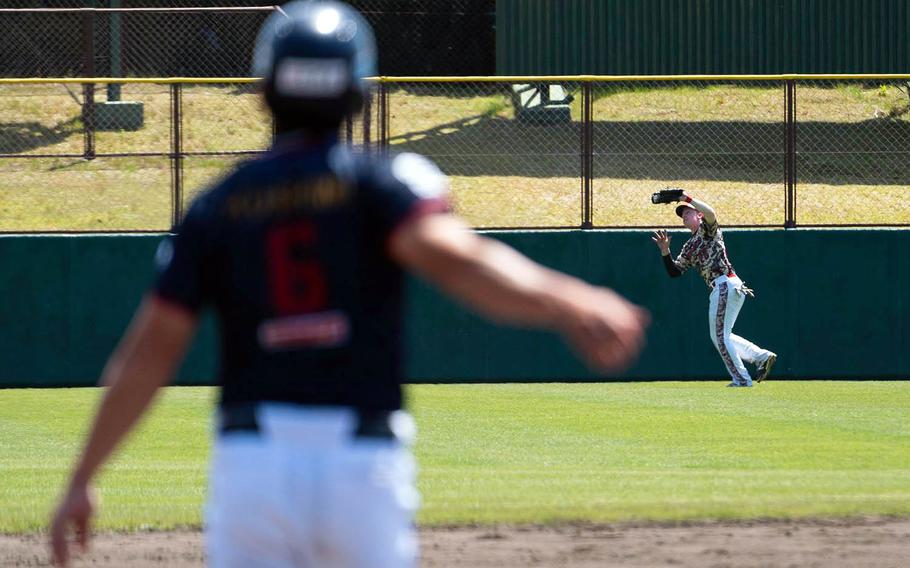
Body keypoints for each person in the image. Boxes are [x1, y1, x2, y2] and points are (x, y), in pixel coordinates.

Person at [49, 2, 650, 567]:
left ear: (265, 93)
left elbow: (151, 349)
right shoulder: (385, 182)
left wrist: (82, 477)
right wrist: (573, 300)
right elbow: (459, 260)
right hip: (361, 465)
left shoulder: (217, 205)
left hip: (252, 466)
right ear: (358, 92)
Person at [651, 190, 776, 387]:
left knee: (719, 337)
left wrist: (686, 198)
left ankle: (742, 379)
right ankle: (761, 356)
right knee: (722, 335)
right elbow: (675, 272)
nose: (684, 216)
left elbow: (710, 213)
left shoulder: (707, 230)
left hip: (725, 283)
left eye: (688, 213)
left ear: (698, 215)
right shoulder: (689, 246)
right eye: (682, 215)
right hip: (724, 287)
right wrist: (665, 252)